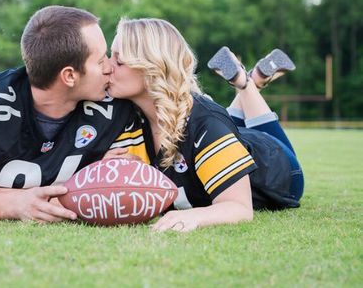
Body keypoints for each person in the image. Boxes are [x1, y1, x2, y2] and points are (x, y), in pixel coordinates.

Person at [0, 6, 136, 223]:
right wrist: (15, 203)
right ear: (69, 76)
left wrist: (95, 180)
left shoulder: (117, 107)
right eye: (100, 61)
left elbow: (135, 185)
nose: (110, 67)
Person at [106, 18, 304, 232]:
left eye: (119, 61)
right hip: (228, 140)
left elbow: (239, 207)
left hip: (277, 166)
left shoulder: (206, 123)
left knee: (216, 124)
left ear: (151, 68)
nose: (107, 67)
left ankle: (247, 85)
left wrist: (195, 216)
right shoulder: (125, 114)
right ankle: (248, 81)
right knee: (219, 128)